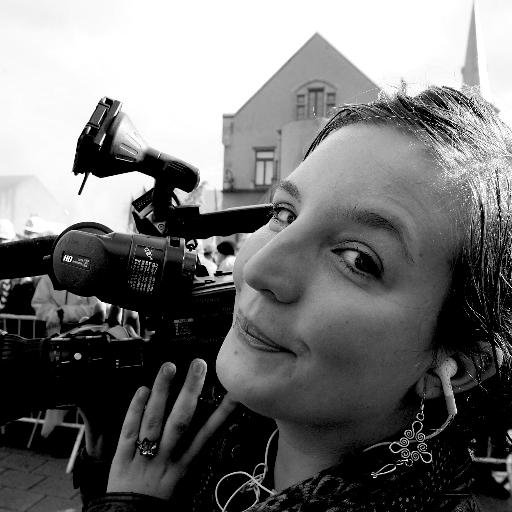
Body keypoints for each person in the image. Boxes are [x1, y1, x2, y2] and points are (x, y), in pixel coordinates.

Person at [76, 86, 512, 511]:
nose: (257, 268)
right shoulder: (219, 444)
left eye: (359, 259)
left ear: (457, 367)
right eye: (283, 214)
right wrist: (107, 461)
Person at [31, 274, 105, 336]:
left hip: (84, 333)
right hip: (55, 332)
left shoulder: (88, 275)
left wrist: (64, 313)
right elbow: (38, 303)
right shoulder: (48, 278)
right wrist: (53, 314)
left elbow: (97, 308)